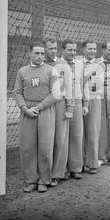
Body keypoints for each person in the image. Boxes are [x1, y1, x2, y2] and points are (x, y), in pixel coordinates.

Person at [13, 43, 60, 193]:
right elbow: (17, 92)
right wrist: (25, 109)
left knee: (45, 147)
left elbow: (55, 94)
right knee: (28, 147)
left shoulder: (52, 71)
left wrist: (38, 108)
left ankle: (44, 180)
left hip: (45, 111)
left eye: (41, 53)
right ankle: (31, 180)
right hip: (27, 113)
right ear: (29, 53)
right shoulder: (22, 72)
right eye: (36, 53)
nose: (40, 56)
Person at [44, 38, 74, 186]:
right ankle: (44, 174)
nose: (53, 51)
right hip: (44, 106)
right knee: (46, 141)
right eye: (50, 48)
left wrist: (70, 107)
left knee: (60, 140)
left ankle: (58, 173)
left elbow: (69, 87)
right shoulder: (40, 64)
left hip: (60, 104)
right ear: (44, 49)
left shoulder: (63, 65)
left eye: (55, 48)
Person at [60, 39, 89, 180]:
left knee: (77, 136)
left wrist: (85, 104)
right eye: (69, 50)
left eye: (74, 50)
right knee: (62, 138)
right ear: (63, 50)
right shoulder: (57, 65)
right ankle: (62, 170)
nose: (72, 52)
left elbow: (85, 85)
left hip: (77, 102)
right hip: (61, 103)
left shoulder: (79, 65)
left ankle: (75, 168)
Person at [82, 40, 104, 174]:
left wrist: (85, 80)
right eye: (89, 48)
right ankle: (80, 163)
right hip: (79, 99)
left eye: (94, 49)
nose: (92, 51)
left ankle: (92, 163)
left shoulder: (99, 64)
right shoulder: (78, 63)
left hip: (93, 99)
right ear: (83, 49)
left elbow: (97, 83)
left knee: (93, 131)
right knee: (79, 133)